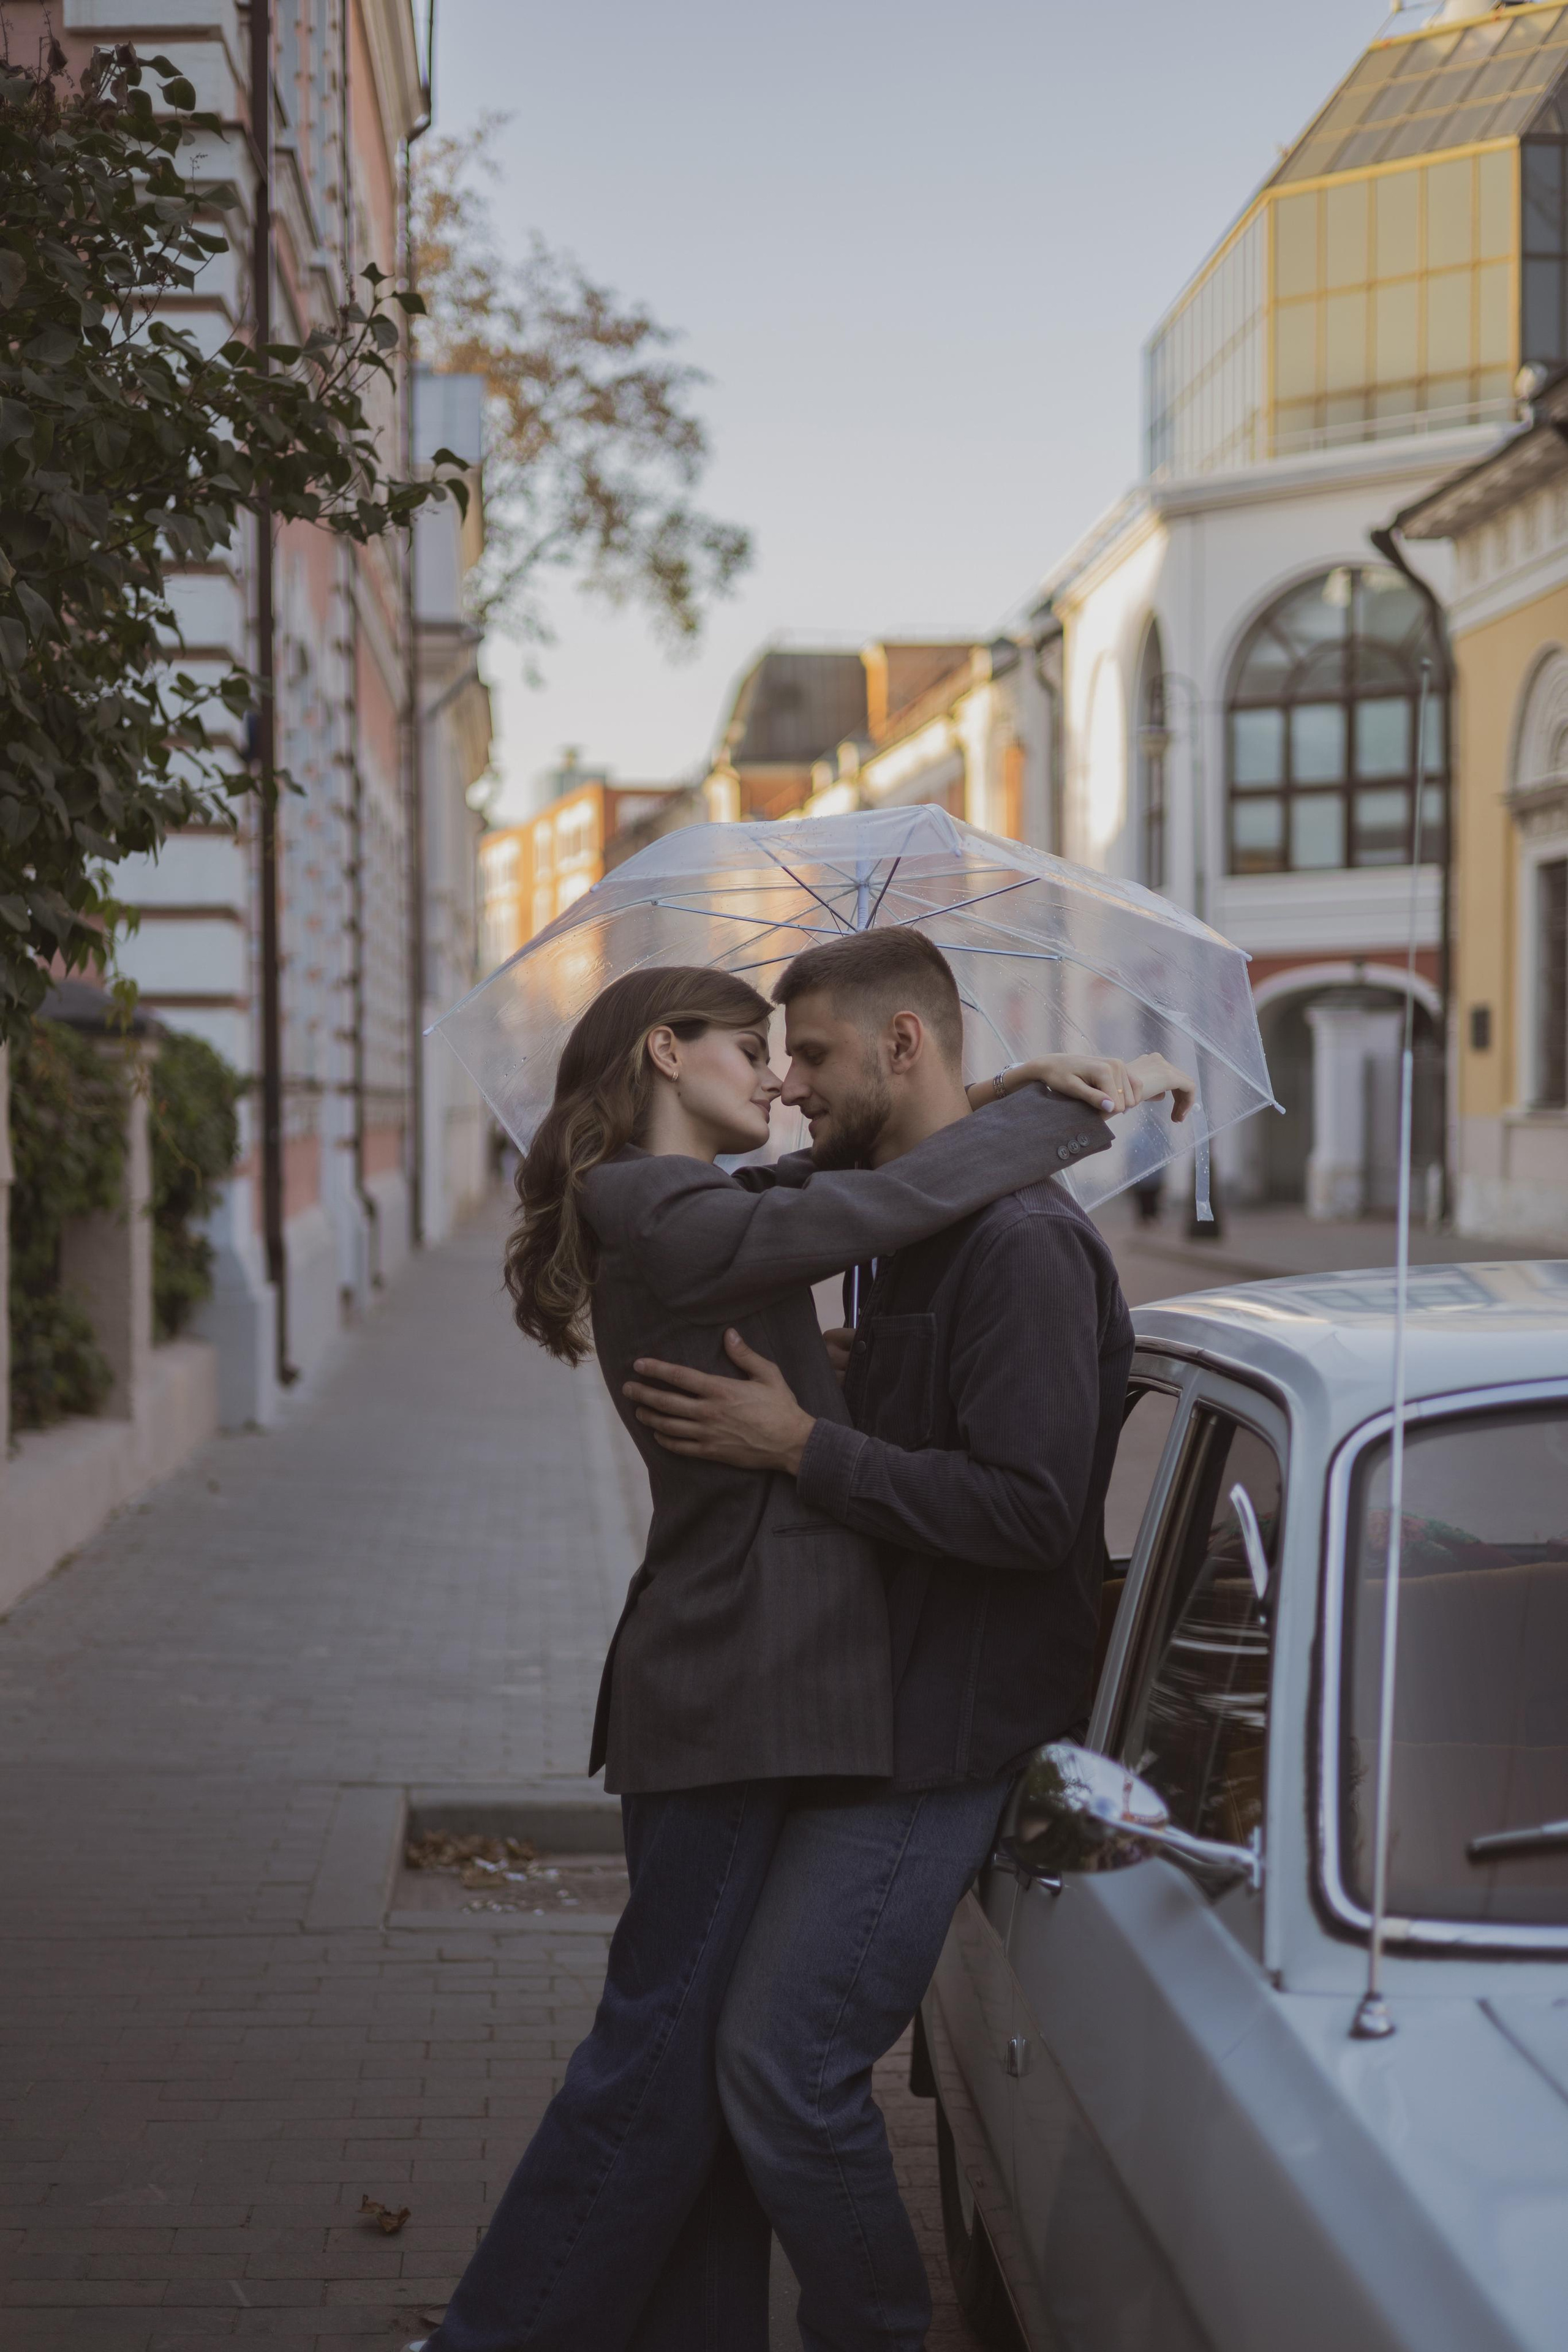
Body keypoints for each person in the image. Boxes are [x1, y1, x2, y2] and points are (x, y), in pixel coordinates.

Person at [419, 959, 1181, 2352]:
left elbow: (1009, 1496)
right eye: (765, 1051)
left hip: (875, 1705)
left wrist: (816, 1422)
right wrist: (1068, 1102)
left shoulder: (991, 1245)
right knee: (677, 2061)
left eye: (809, 1057)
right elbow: (871, 1201)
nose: (785, 1084)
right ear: (666, 1052)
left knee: (715, 2066)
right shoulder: (703, 1210)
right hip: (749, 1690)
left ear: (901, 1043)